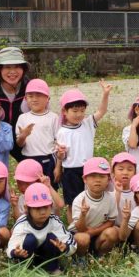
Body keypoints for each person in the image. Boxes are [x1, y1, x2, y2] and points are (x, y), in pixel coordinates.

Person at [56, 81, 112, 212]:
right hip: (70, 171)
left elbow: (102, 111)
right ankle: (72, 230)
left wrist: (105, 94)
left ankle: (88, 225)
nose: (79, 114)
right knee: (72, 203)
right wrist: (60, 156)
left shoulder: (88, 124)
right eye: (75, 111)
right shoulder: (62, 132)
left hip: (88, 169)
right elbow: (61, 156)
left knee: (89, 200)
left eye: (82, 110)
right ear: (64, 111)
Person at [9, 183, 75, 273]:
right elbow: (13, 242)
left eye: (46, 207)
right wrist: (15, 252)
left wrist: (65, 246)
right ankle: (26, 268)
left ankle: (52, 268)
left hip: (47, 254)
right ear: (27, 209)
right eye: (37, 208)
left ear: (51, 206)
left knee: (53, 238)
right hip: (28, 254)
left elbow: (69, 239)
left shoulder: (54, 221)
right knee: (29, 240)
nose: (43, 212)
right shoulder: (22, 223)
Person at [71, 157, 120, 258]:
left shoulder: (110, 198)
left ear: (108, 180)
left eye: (102, 176)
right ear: (85, 179)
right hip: (81, 234)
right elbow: (79, 228)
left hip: (98, 234)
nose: (98, 180)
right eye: (93, 176)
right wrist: (83, 215)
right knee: (82, 239)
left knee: (113, 232)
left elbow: (111, 221)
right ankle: (80, 258)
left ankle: (100, 255)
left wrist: (93, 232)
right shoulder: (79, 200)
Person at [15, 79, 61, 187]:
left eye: (39, 95)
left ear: (47, 98)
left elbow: (59, 142)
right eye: (30, 96)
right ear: (25, 99)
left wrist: (58, 166)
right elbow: (19, 144)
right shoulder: (23, 118)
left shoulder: (53, 117)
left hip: (49, 159)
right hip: (29, 159)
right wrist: (23, 136)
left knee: (49, 189)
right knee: (31, 188)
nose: (34, 99)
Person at [110, 152, 138, 240]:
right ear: (113, 172)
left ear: (135, 173)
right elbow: (111, 209)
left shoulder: (138, 191)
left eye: (130, 170)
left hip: (134, 227)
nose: (125, 173)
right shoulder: (109, 190)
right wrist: (118, 192)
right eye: (120, 169)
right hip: (117, 227)